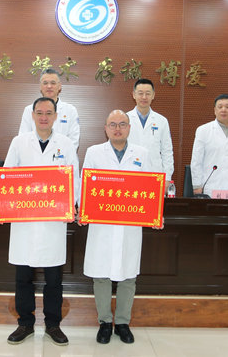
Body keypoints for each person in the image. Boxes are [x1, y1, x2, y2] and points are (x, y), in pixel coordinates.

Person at [4, 97, 79, 346]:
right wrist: (2, 206)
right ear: (32, 115)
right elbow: (7, 176)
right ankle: (25, 323)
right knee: (23, 276)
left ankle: (53, 324)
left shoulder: (65, 144)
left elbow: (74, 178)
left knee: (54, 278)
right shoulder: (19, 142)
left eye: (48, 113)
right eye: (39, 112)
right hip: (24, 221)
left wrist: (73, 204)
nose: (44, 117)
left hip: (53, 221)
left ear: (56, 116)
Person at [81, 110, 151, 345]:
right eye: (113, 124)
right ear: (106, 128)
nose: (117, 128)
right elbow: (85, 185)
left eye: (122, 124)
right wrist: (83, 209)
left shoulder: (142, 154)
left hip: (130, 225)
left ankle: (122, 323)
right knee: (101, 274)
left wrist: (154, 214)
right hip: (102, 225)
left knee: (128, 275)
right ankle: (104, 322)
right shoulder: (94, 152)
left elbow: (151, 188)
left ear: (129, 128)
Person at [190, 94, 228, 198]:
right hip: (211, 185)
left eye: (227, 107)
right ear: (215, 110)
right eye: (220, 107)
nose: (223, 110)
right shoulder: (203, 130)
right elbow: (196, 160)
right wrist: (197, 185)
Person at [18, 68, 80, 149]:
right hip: (34, 155)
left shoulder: (70, 110)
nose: (49, 86)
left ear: (59, 86)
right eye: (45, 83)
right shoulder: (29, 110)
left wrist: (58, 155)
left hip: (62, 156)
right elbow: (23, 139)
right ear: (40, 86)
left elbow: (73, 141)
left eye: (53, 83)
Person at [126, 78, 174, 180]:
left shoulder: (162, 121)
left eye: (148, 93)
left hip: (154, 173)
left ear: (153, 95)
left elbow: (167, 151)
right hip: (130, 173)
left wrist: (167, 177)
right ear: (134, 95)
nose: (144, 97)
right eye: (140, 93)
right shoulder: (125, 119)